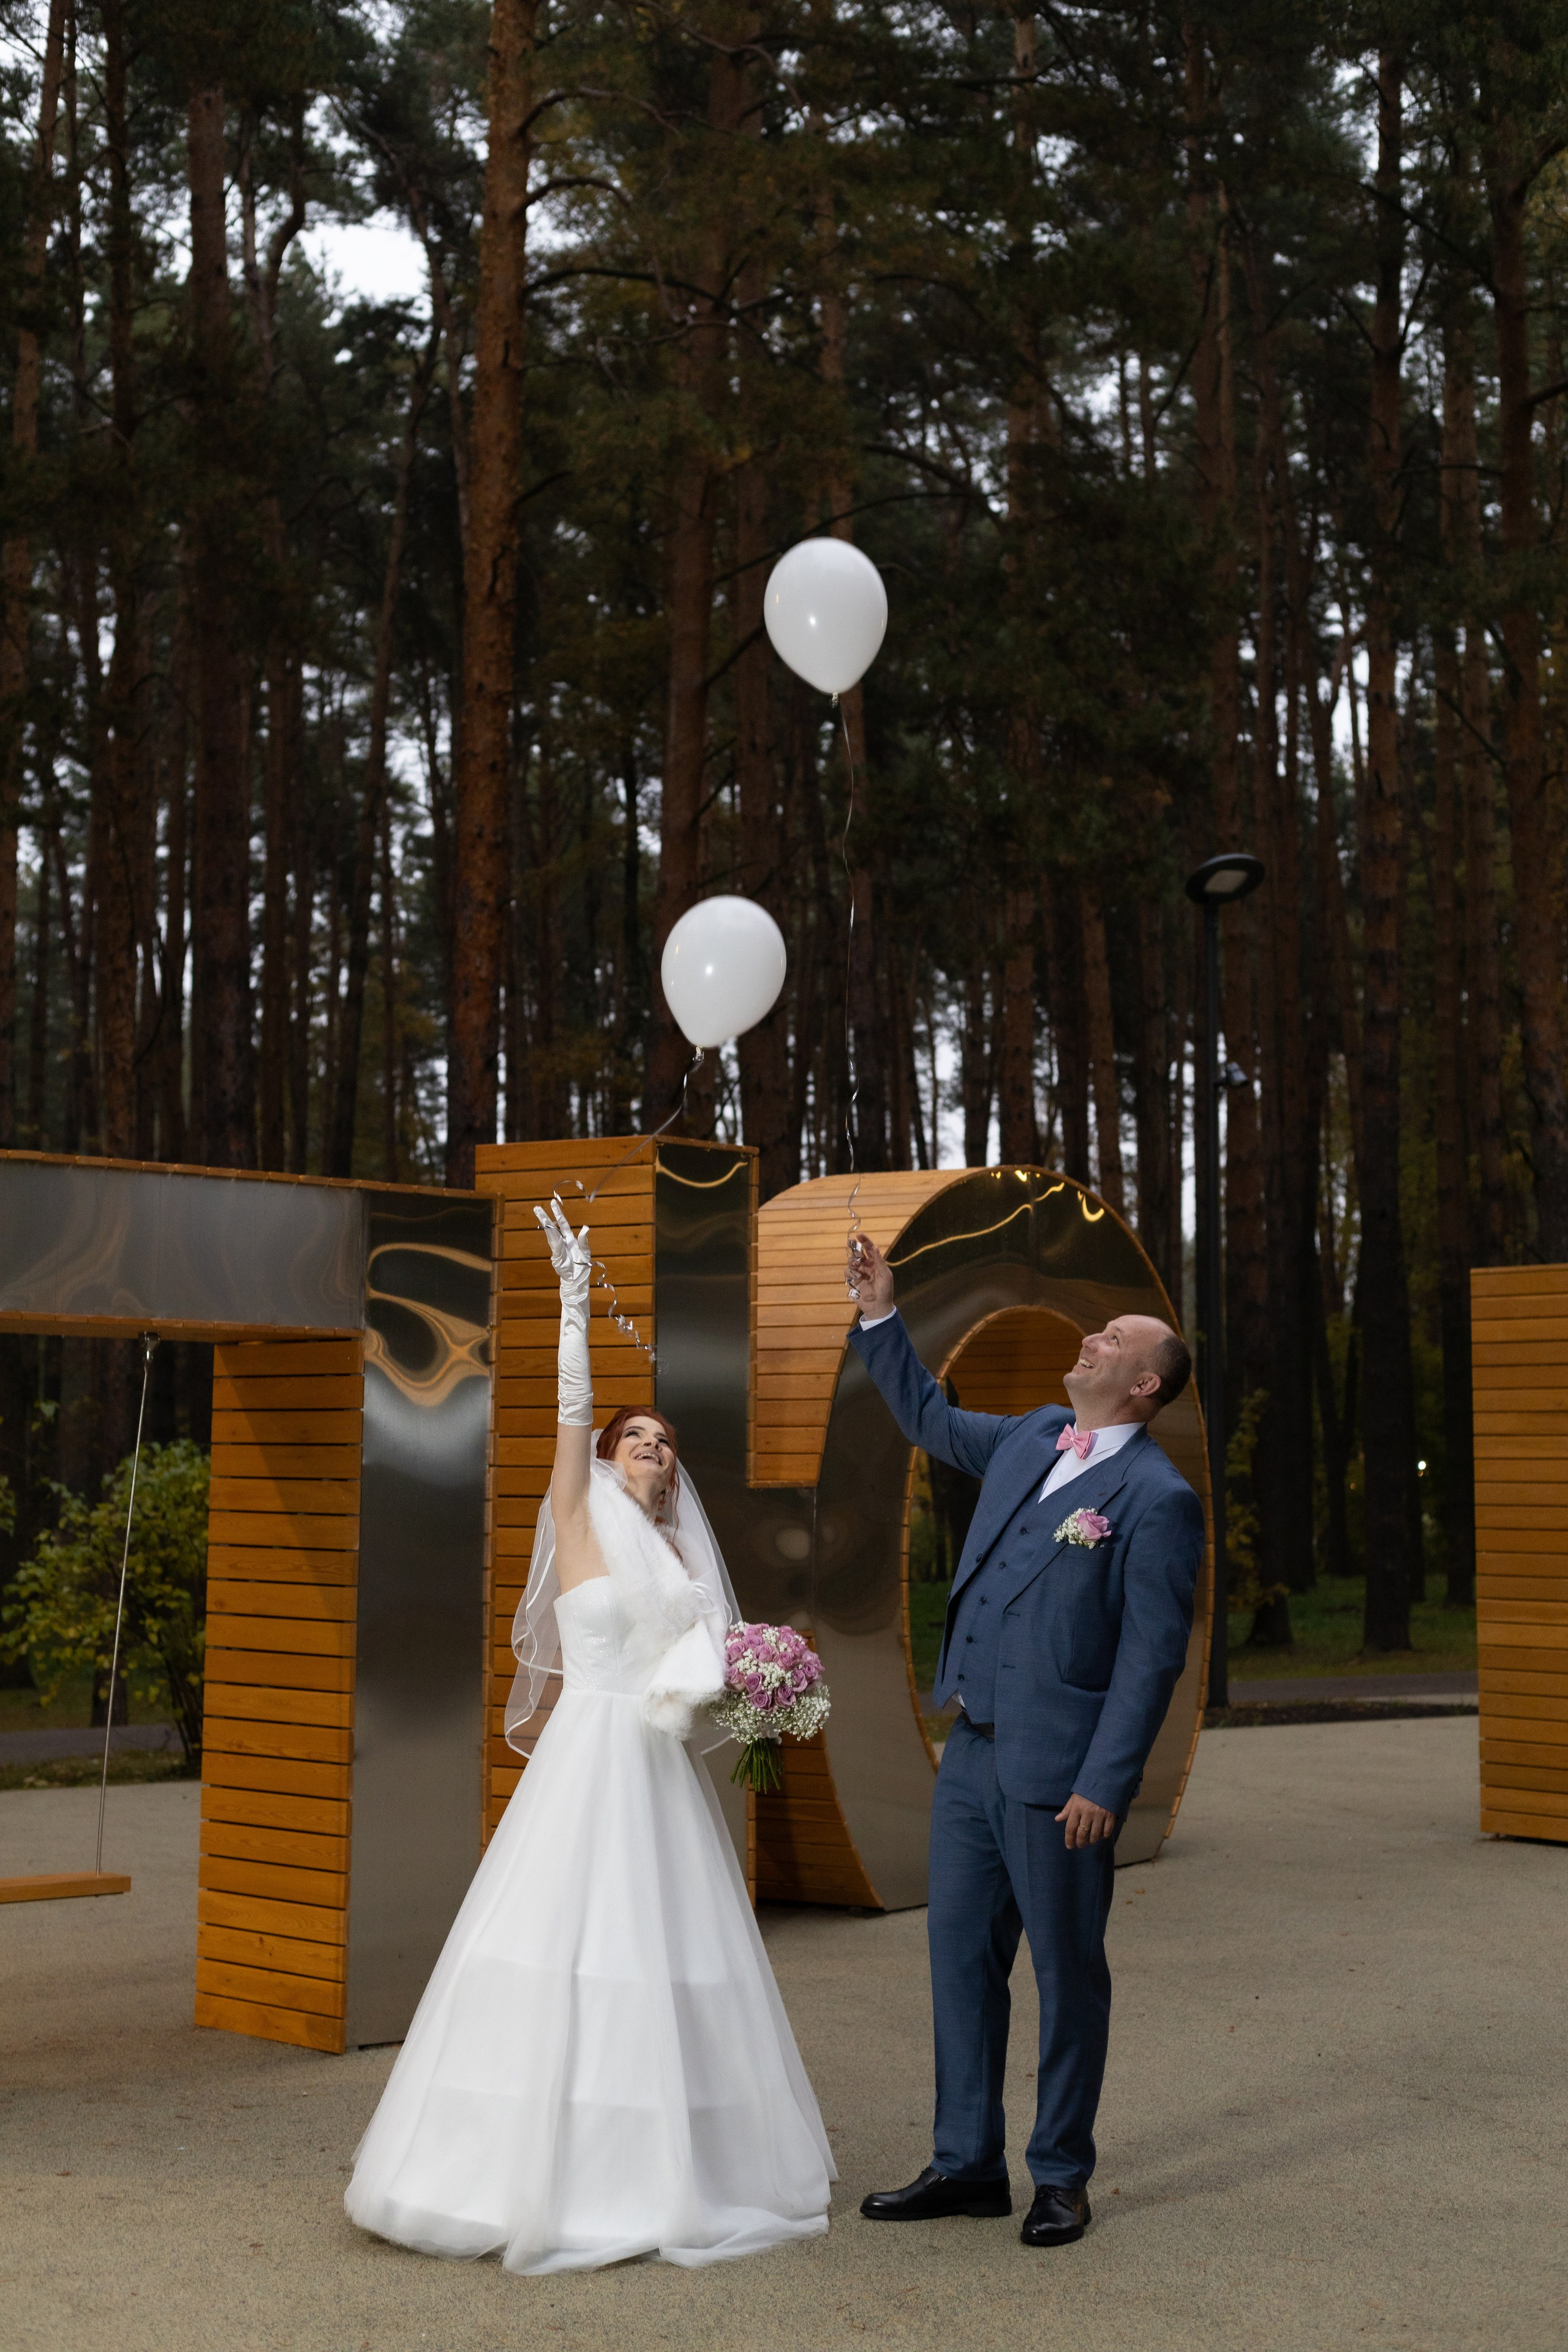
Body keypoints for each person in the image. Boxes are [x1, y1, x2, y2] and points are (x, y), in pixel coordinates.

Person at [344, 1199, 834, 2274]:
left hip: (657, 1766)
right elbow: (570, 1419)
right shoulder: (578, 1515)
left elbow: (708, 1667)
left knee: (666, 1948)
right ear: (611, 1457)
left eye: (665, 1440)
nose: (654, 1448)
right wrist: (572, 1305)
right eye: (637, 1437)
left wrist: (751, 1687)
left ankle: (673, 2166)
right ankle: (505, 2171)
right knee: (558, 1942)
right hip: (586, 1757)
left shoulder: (685, 1565)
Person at [847, 1233, 1203, 2249]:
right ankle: (966, 2163)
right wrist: (882, 1312)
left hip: (1063, 1780)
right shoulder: (1034, 1435)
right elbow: (926, 1414)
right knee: (959, 1960)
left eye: (1112, 1338)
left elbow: (1150, 1661)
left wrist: (1108, 1782)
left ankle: (1060, 2174)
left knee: (1067, 1971)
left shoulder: (1159, 1501)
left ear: (1142, 1384)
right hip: (970, 1754)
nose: (1089, 1339)